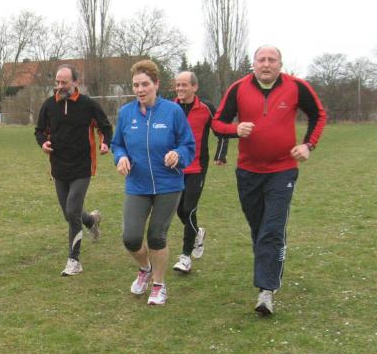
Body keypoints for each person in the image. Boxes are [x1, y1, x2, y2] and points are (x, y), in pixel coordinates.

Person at [212, 45, 326, 316]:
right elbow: (217, 123)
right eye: (261, 59)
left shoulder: (297, 87)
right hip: (248, 172)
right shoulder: (238, 89)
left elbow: (318, 115)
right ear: (253, 63)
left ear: (280, 64)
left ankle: (266, 291)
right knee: (259, 229)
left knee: (272, 229)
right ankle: (270, 264)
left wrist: (308, 145)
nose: (266, 64)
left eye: (271, 60)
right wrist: (235, 129)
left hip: (282, 170)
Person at [110, 60, 195, 305]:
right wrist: (121, 157)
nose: (140, 90)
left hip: (168, 184)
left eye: (145, 84)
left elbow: (188, 145)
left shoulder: (173, 112)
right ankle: (145, 268)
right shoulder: (126, 113)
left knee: (157, 237)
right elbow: (118, 144)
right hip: (137, 184)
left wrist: (178, 154)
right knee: (131, 238)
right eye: (136, 85)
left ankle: (159, 285)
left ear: (156, 84)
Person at [34, 64, 113, 276]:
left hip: (82, 167)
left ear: (75, 82)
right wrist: (43, 143)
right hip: (59, 167)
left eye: (64, 82)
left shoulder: (88, 105)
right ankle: (91, 220)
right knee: (70, 215)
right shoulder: (49, 105)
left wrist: (105, 143)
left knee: (72, 211)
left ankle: (74, 260)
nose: (60, 86)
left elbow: (105, 127)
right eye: (57, 82)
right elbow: (39, 131)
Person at [171, 71, 228, 274]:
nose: (180, 89)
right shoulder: (170, 107)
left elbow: (221, 131)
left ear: (194, 87)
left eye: (184, 85)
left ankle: (185, 257)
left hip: (197, 167)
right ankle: (197, 233)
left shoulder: (206, 108)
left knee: (189, 209)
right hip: (174, 168)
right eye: (177, 85)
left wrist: (221, 154)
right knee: (179, 210)